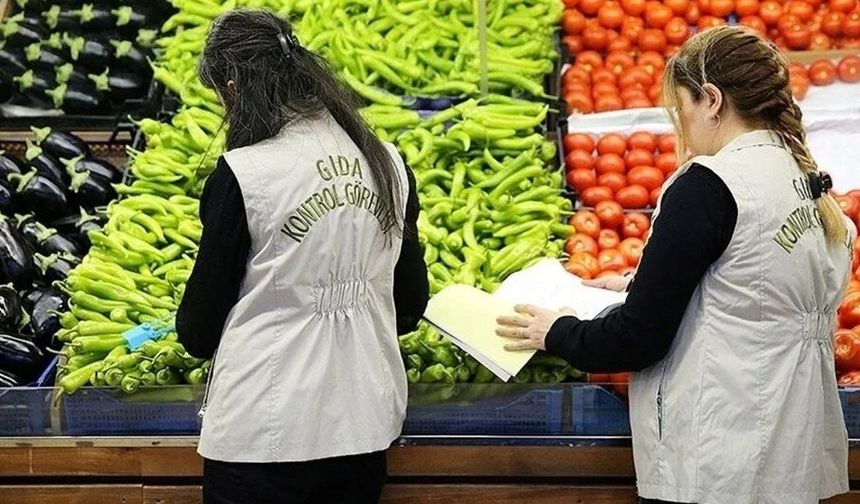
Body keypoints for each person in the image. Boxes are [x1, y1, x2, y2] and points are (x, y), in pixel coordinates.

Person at [497, 26, 855, 504]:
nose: (680, 124)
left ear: (710, 100)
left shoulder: (709, 185)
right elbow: (751, 286)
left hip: (715, 463)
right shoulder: (804, 183)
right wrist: (638, 283)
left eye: (680, 107)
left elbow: (638, 339)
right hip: (788, 458)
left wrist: (556, 332)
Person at [174, 10, 429, 504]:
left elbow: (198, 332)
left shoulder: (245, 175)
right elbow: (410, 304)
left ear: (232, 90)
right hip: (363, 429)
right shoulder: (388, 162)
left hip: (263, 437)